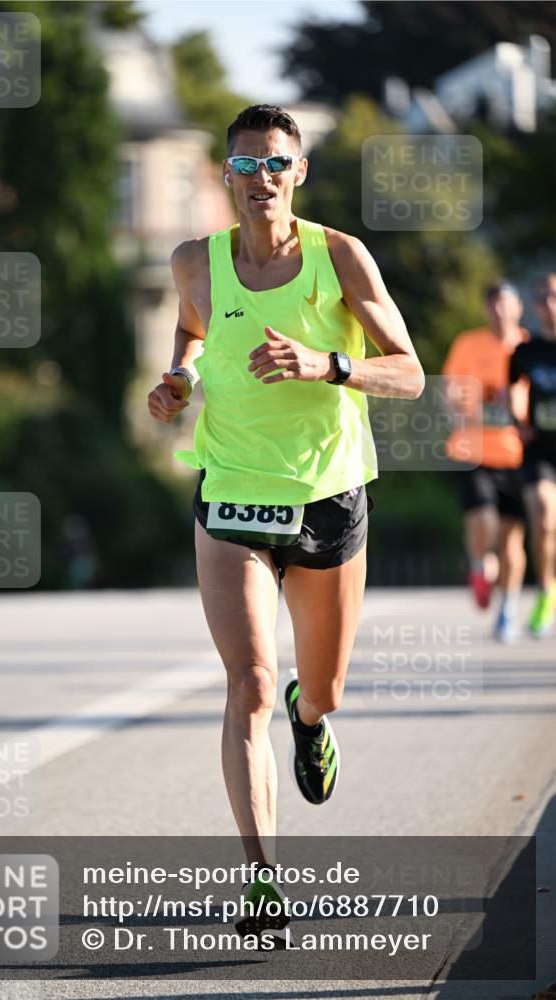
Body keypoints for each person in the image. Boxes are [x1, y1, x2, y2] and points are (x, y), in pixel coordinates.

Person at [147, 105, 424, 943]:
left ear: (297, 172)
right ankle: (262, 880)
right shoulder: (194, 261)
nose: (259, 179)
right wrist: (178, 379)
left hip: (328, 494)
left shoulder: (340, 257)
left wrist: (327, 364)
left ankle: (315, 719)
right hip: (230, 491)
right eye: (243, 167)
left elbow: (409, 375)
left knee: (315, 687)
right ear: (225, 177)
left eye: (274, 164)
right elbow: (192, 331)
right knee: (249, 684)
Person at [442, 282, 529, 642]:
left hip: (518, 454)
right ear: (485, 309)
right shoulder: (468, 343)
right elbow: (448, 388)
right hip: (473, 451)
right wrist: (455, 413)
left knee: (512, 542)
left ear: (518, 308)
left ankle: (507, 611)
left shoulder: (530, 348)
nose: (499, 312)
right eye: (492, 305)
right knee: (483, 520)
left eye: (505, 304)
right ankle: (479, 564)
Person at [509, 274, 556, 638]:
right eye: (543, 297)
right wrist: (519, 421)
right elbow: (512, 386)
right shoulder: (526, 351)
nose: (549, 303)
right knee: (542, 516)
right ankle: (545, 590)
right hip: (540, 448)